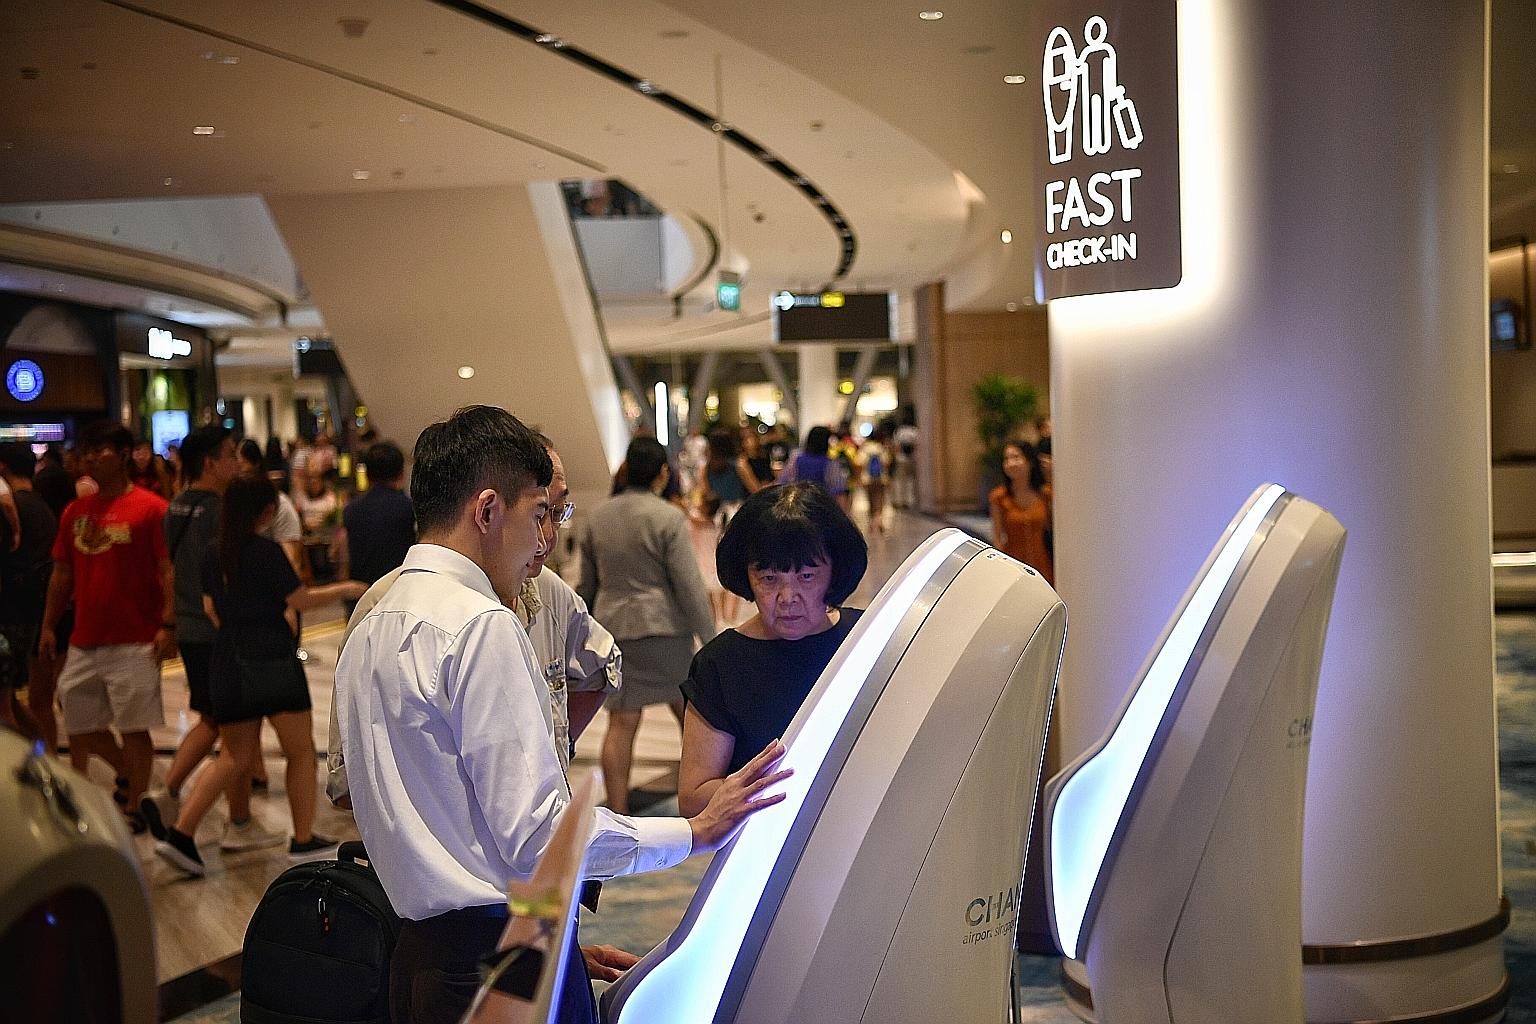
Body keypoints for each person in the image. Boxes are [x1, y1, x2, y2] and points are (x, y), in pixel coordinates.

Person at [333, 405, 789, 1024]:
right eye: (538, 513)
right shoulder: (480, 623)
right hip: (497, 963)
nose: (543, 542)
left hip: (421, 959)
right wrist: (692, 832)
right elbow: (537, 839)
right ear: (487, 510)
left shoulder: (373, 618)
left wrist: (555, 943)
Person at [152, 476, 365, 877]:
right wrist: (347, 588)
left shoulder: (213, 552)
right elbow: (300, 600)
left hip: (228, 661)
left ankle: (181, 833)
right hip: (272, 661)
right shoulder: (266, 551)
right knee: (300, 752)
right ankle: (303, 838)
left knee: (232, 757)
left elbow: (210, 608)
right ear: (266, 511)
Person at [678, 483, 867, 816]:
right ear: (747, 577)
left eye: (806, 576)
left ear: (834, 572)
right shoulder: (721, 664)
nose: (787, 597)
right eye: (768, 579)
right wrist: (790, 784)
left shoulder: (866, 638)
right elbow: (693, 797)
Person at [141, 425, 276, 853]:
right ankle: (231, 819)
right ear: (211, 462)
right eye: (230, 455)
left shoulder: (175, 507)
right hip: (220, 630)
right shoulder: (222, 513)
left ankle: (176, 794)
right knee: (236, 729)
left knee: (215, 719)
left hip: (188, 628)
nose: (237, 462)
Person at [39, 421, 174, 832]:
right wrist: (48, 625)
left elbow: (168, 570)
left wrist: (168, 624)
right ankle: (126, 772)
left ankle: (135, 805)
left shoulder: (151, 508)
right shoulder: (75, 512)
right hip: (85, 637)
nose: (92, 458)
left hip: (135, 638)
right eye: (87, 451)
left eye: (101, 450)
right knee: (78, 719)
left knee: (133, 726)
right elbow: (62, 573)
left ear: (124, 455)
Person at [579, 436, 717, 814]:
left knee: (622, 723)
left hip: (617, 632)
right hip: (665, 630)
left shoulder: (598, 517)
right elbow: (688, 585)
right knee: (691, 716)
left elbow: (588, 585)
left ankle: (618, 810)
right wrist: (710, 636)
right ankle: (701, 800)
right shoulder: (668, 517)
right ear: (662, 474)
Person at [0, 444, 57, 736]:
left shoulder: (13, 507)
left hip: (10, 612)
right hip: (30, 609)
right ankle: (44, 754)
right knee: (12, 702)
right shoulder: (39, 504)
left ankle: (37, 758)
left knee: (5, 709)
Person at [341, 441, 415, 612]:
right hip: (399, 595)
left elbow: (344, 557)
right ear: (401, 473)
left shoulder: (351, 510)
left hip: (362, 597)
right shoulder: (409, 508)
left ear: (367, 474)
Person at [989, 440, 1054, 585]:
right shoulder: (999, 497)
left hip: (1043, 565)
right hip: (1013, 566)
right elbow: (998, 538)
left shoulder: (1046, 494)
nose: (1010, 463)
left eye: (1016, 457)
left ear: (1029, 461)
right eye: (1007, 459)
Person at [779, 425, 850, 510]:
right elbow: (838, 491)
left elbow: (783, 481)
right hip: (822, 507)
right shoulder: (830, 464)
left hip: (799, 506)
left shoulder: (796, 460)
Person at [861, 425, 890, 534]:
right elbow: (886, 462)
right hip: (881, 478)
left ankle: (871, 523)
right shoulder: (881, 448)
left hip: (867, 479)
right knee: (880, 500)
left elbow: (860, 462)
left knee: (870, 501)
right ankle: (879, 521)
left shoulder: (865, 448)